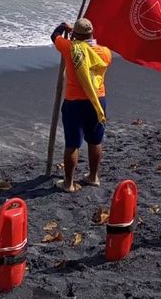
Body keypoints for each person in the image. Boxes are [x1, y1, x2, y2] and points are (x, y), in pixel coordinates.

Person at [50, 17, 112, 192]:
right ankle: (93, 177)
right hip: (97, 101)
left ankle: (68, 184)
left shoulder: (70, 48)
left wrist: (64, 27)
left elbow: (54, 36)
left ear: (75, 34)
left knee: (72, 143)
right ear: (92, 33)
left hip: (74, 102)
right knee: (95, 141)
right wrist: (76, 35)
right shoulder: (105, 53)